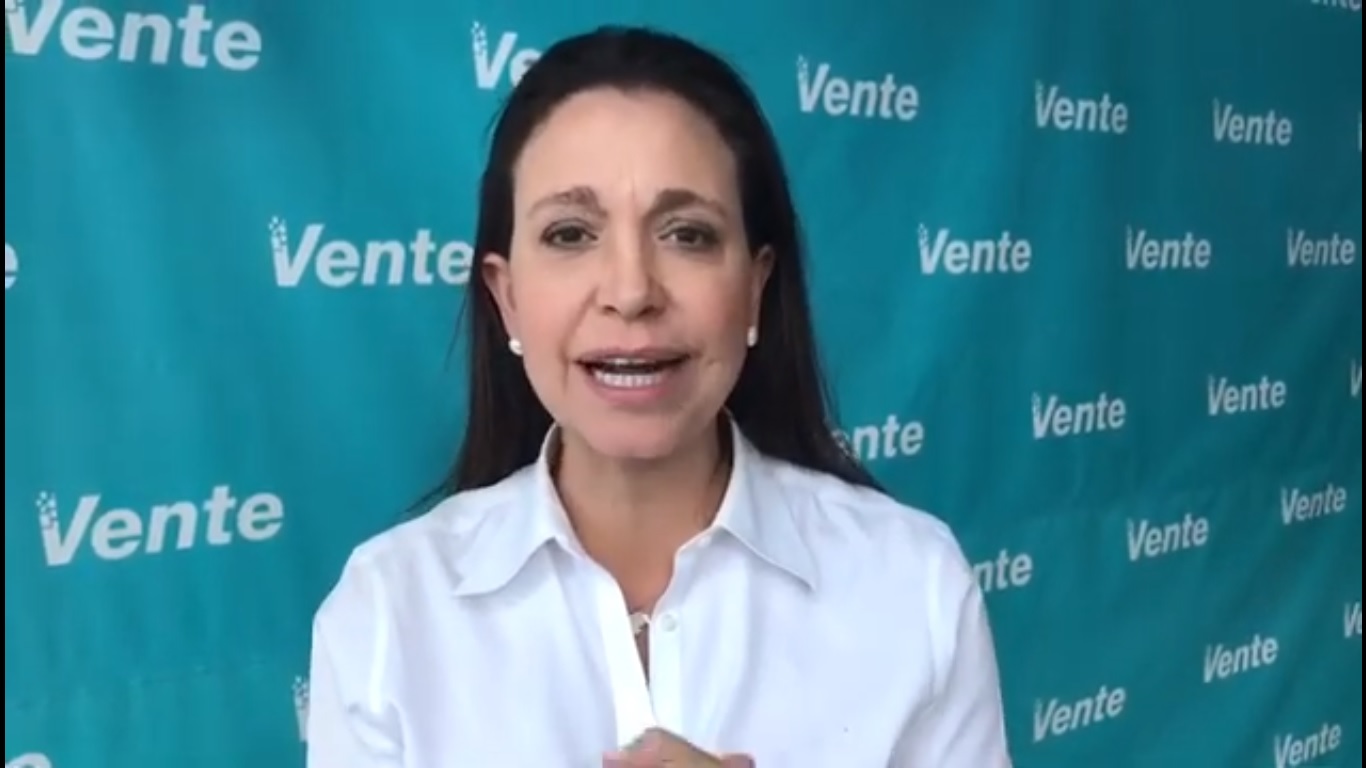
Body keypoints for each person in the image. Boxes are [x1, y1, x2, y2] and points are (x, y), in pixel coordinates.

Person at [305, 24, 1013, 767]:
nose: (632, 290)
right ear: (506, 298)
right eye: (571, 234)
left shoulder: (915, 586)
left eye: (687, 234)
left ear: (756, 288)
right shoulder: (385, 614)